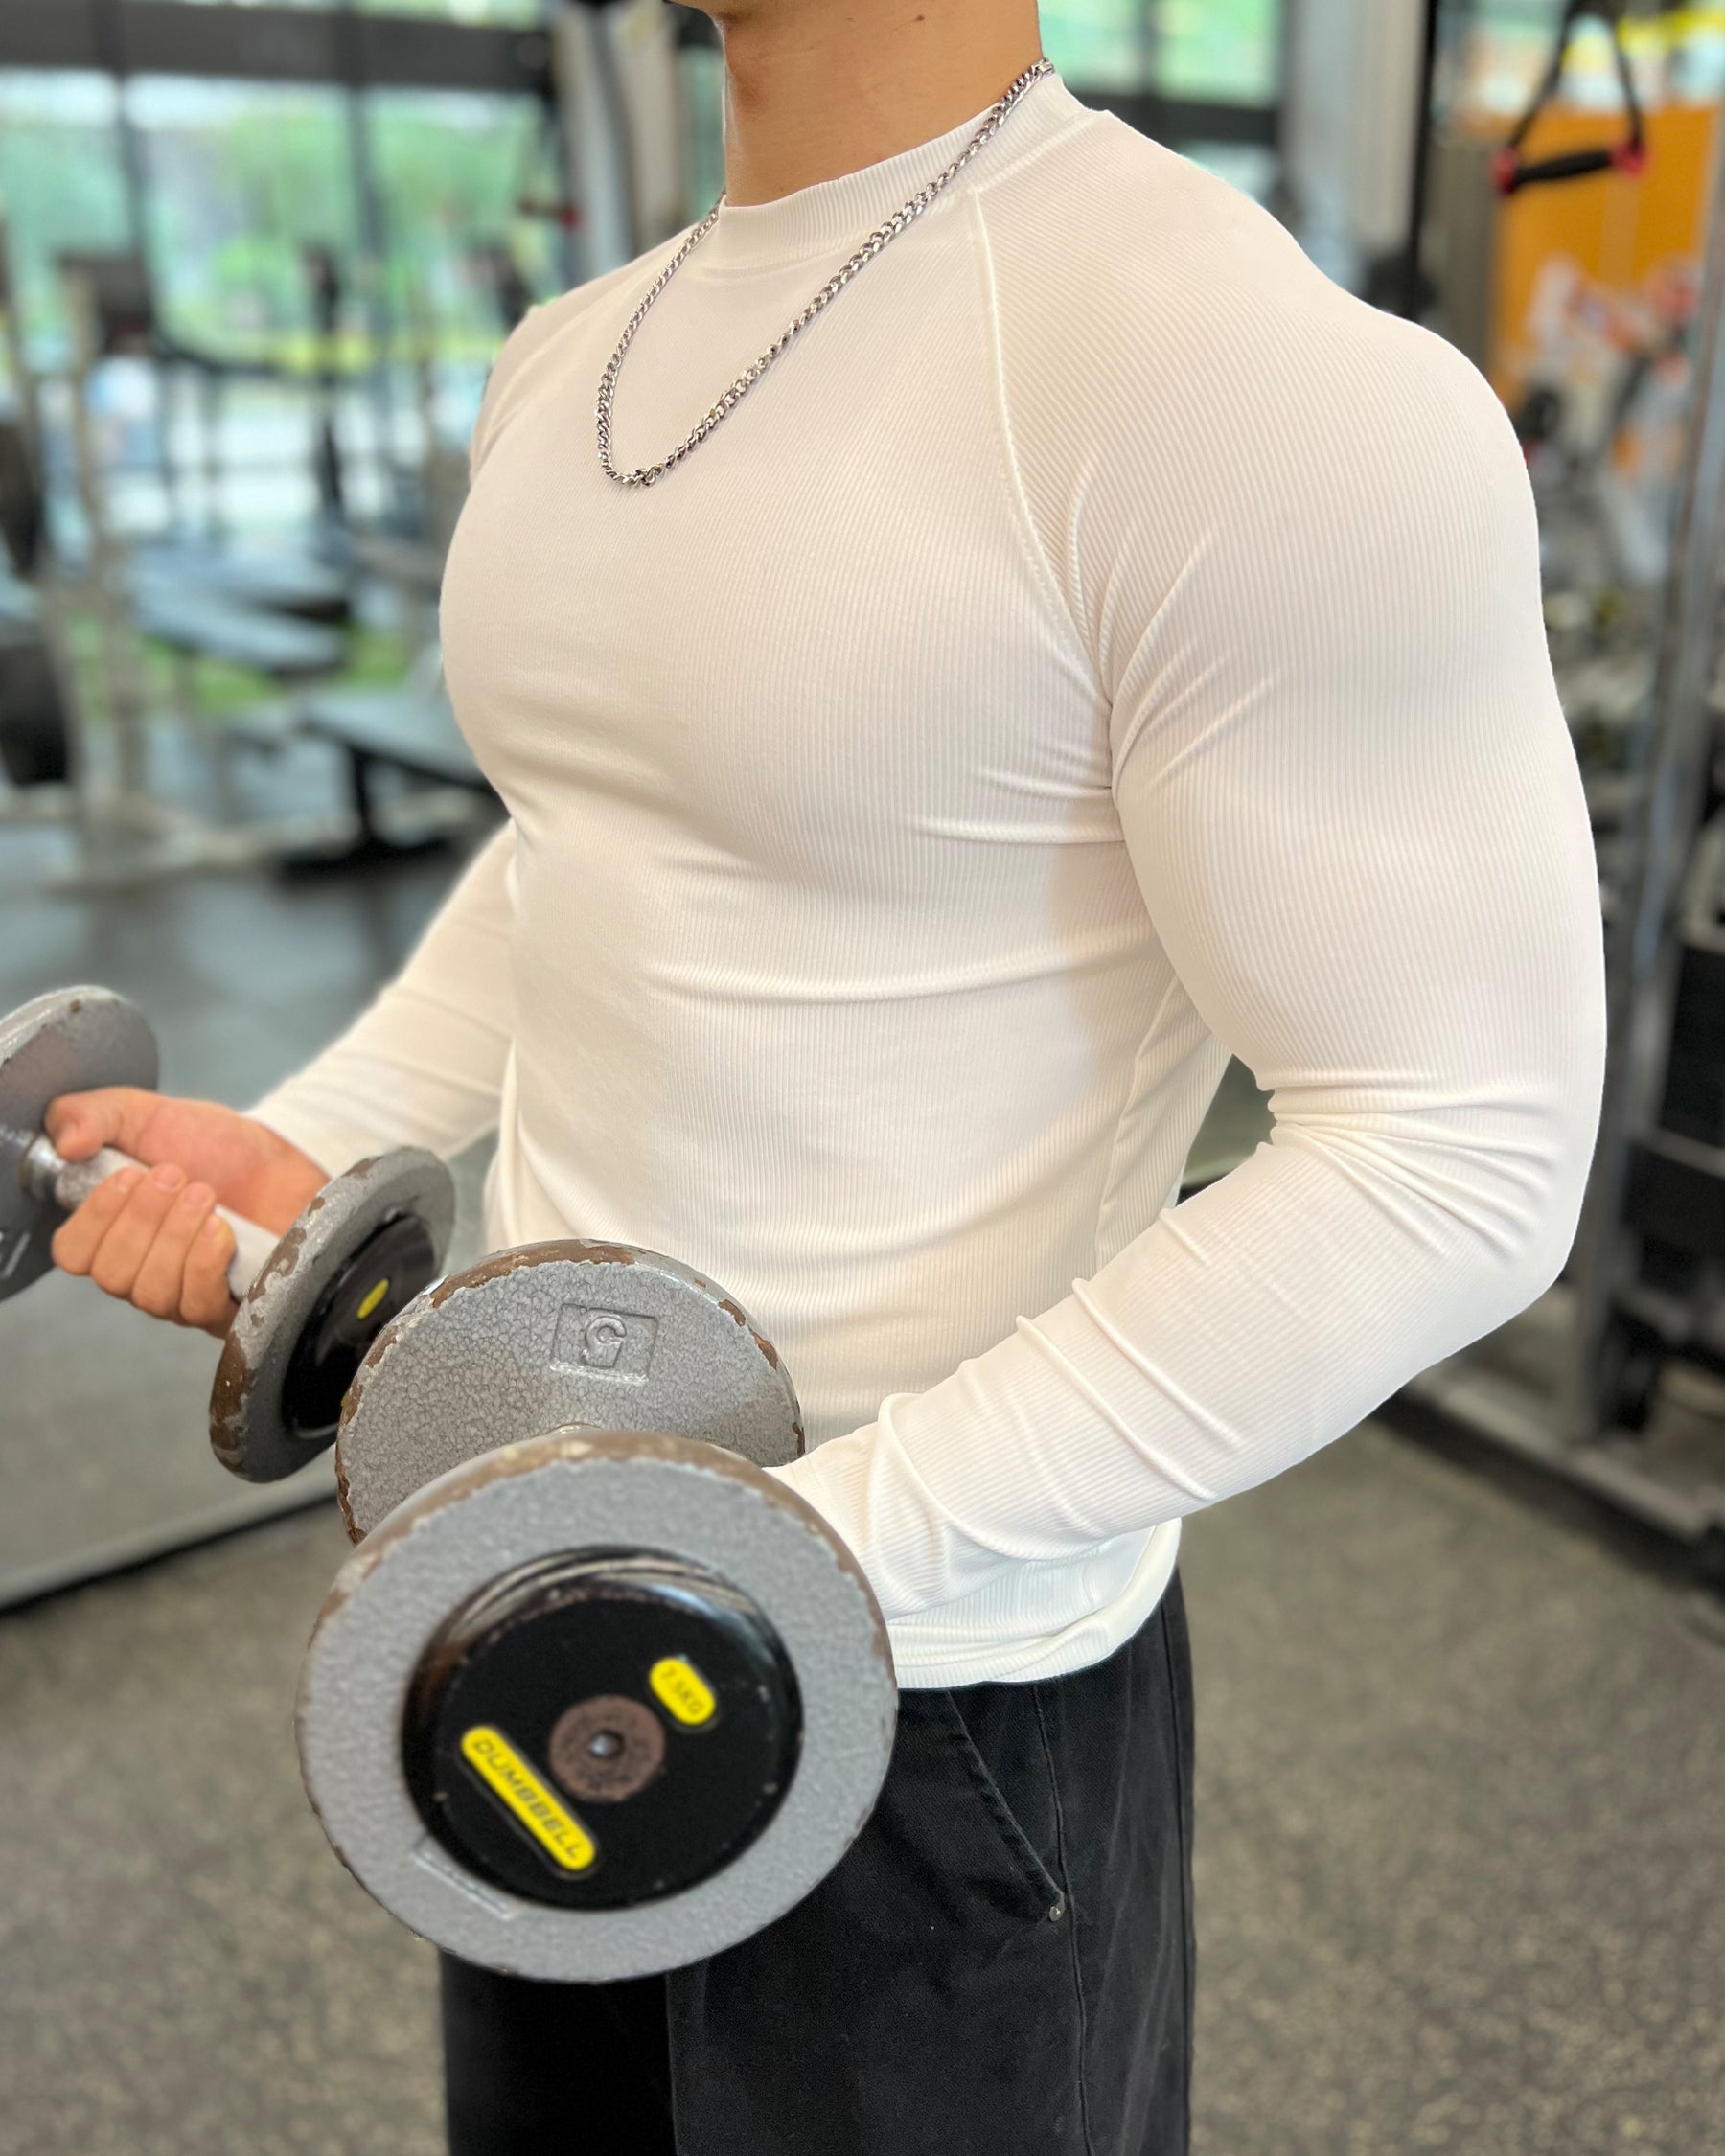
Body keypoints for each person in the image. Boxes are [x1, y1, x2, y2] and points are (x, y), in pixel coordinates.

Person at [42, 2, 1608, 2151]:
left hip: (924, 1684)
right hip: (529, 1570)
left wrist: (791, 1558)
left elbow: (1460, 1154)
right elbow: (602, 844)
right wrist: (323, 1132)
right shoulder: (571, 356)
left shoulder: (1243, 379)